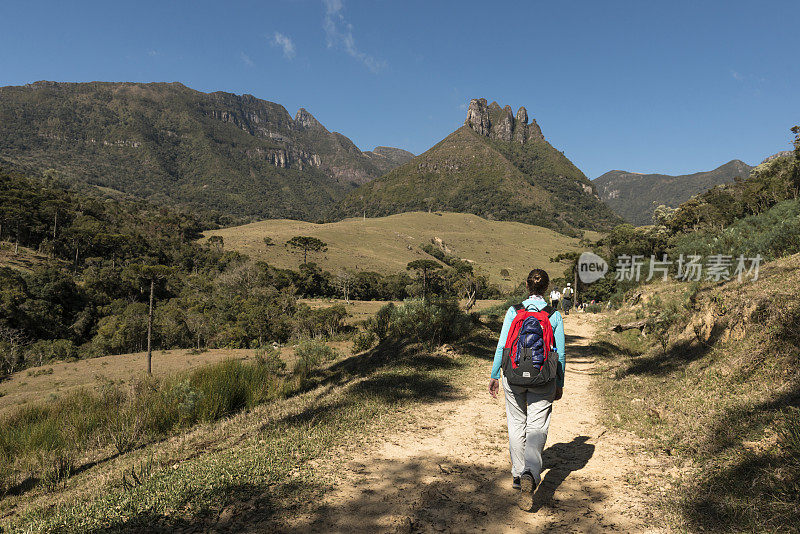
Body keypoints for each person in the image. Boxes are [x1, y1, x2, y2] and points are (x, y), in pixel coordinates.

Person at [489, 269, 566, 511]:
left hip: (513, 376)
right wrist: (559, 383)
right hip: (543, 378)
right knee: (537, 425)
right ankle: (531, 474)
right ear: (547, 288)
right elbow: (560, 354)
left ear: (526, 285)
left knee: (516, 423)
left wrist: (494, 375)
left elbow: (503, 345)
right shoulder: (553, 315)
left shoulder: (514, 311)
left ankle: (517, 473)